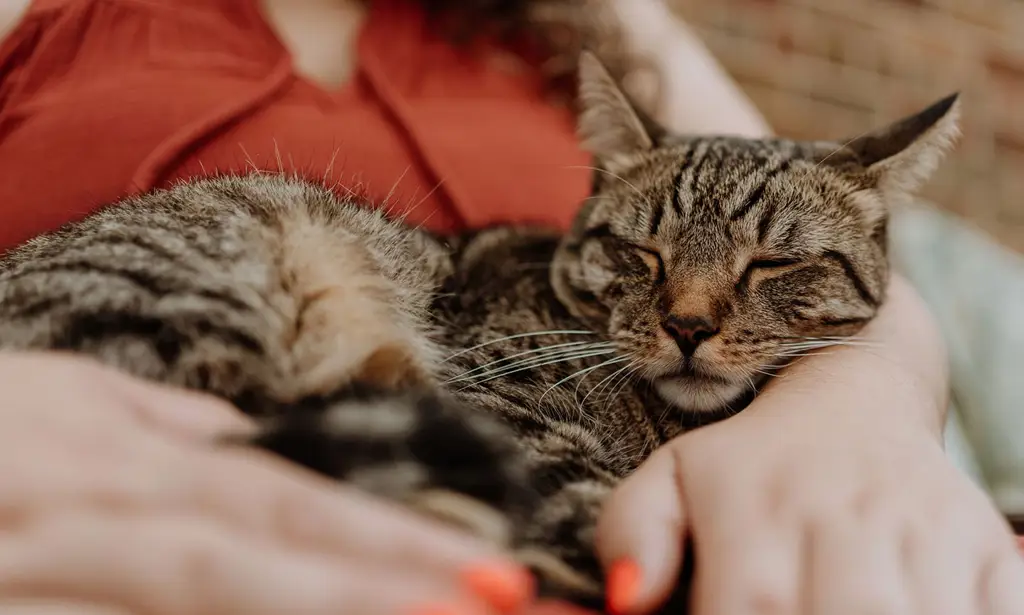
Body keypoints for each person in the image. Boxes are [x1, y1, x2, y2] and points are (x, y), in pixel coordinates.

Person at [0, 1, 1020, 614]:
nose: (691, 309)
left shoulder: (597, 16)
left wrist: (865, 414)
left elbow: (849, 231)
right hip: (117, 453)